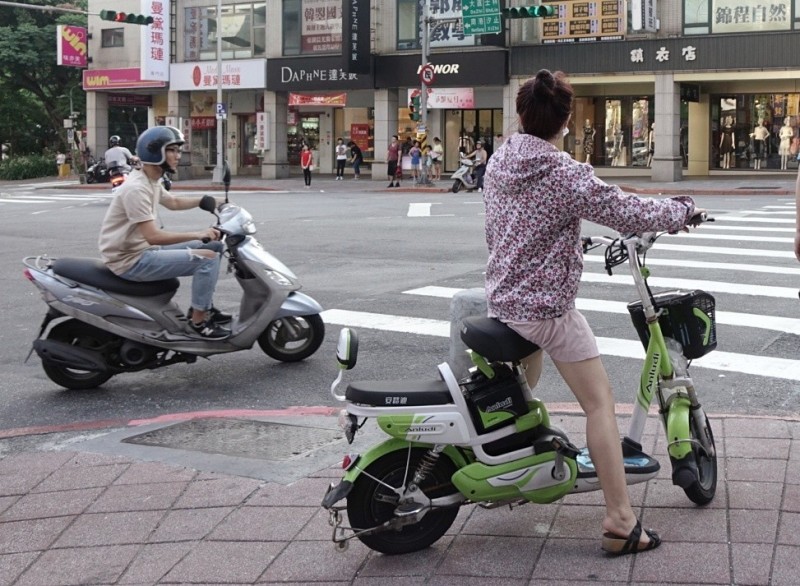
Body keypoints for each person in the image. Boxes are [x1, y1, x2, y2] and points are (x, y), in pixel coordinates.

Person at [482, 69, 704, 556]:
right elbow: (631, 213)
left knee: (521, 392)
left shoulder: (501, 160)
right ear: (565, 121)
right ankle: (621, 519)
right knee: (600, 405)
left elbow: (518, 225)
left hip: (503, 299)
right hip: (547, 310)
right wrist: (682, 209)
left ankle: (509, 460)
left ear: (521, 115)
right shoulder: (564, 173)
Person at [98, 126, 230, 339]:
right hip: (130, 260)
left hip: (144, 250)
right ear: (156, 152)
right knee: (207, 258)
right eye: (172, 150)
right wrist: (198, 234)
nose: (178, 156)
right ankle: (198, 322)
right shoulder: (136, 188)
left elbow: (173, 202)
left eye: (178, 150)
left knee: (215, 246)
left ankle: (203, 306)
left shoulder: (151, 179)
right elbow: (154, 236)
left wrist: (210, 201)